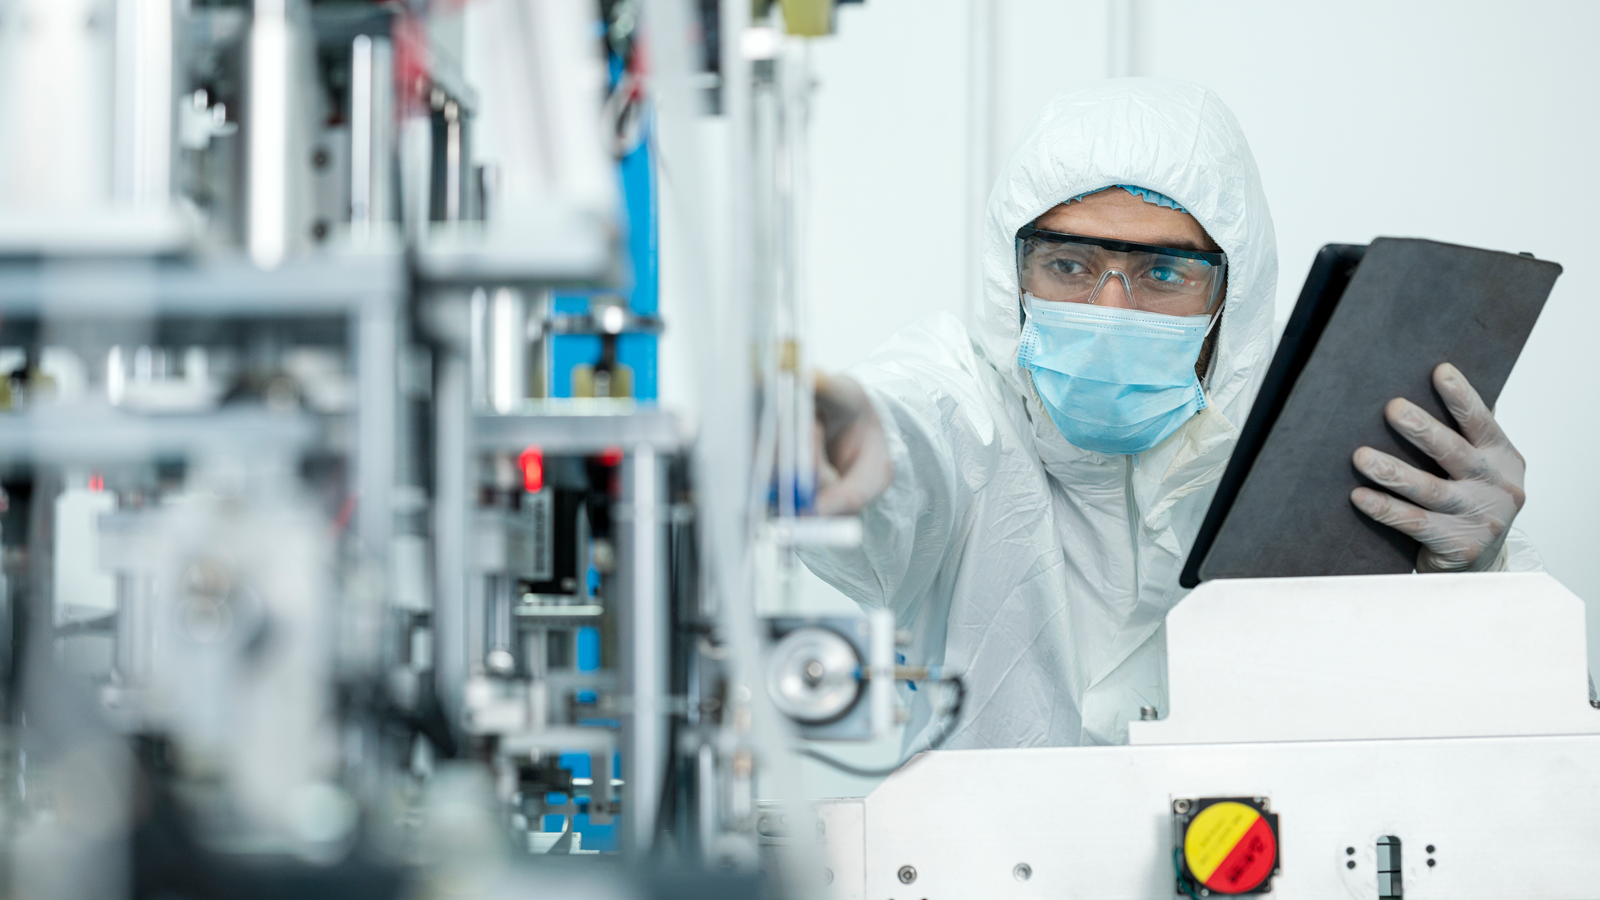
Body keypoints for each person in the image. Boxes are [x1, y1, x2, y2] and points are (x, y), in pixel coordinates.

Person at [801, 78, 1537, 751]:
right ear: (1013, 274)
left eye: (1163, 273)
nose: (1111, 312)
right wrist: (829, 440)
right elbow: (904, 432)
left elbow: (1491, 744)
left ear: (1231, 297)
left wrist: (1474, 580)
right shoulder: (964, 409)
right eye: (1069, 266)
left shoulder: (1324, 467)